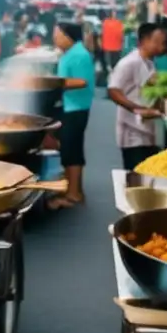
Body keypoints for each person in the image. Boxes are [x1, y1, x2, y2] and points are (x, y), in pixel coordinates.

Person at [107, 23, 167, 171]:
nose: (162, 46)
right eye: (158, 41)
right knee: (135, 175)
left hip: (148, 131)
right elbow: (113, 90)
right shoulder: (129, 62)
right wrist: (136, 109)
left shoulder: (150, 64)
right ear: (145, 41)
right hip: (132, 133)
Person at [50, 22, 96, 208]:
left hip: (76, 108)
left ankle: (73, 194)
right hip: (71, 106)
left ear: (67, 36)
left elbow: (82, 81)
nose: (55, 38)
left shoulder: (78, 54)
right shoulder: (72, 53)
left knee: (72, 150)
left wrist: (54, 83)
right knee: (69, 148)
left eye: (57, 34)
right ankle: (72, 188)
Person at [99, 12, 124, 84]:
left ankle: (110, 81)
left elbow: (101, 35)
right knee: (115, 66)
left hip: (107, 48)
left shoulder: (104, 23)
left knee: (109, 66)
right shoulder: (119, 23)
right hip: (116, 47)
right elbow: (121, 35)